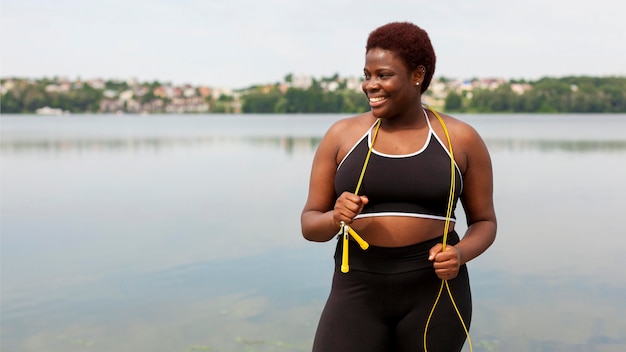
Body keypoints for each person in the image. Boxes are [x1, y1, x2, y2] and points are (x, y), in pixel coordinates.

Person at [300, 22, 497, 352]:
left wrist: (460, 254)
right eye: (367, 75)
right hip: (356, 286)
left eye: (383, 75)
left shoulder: (461, 139)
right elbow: (310, 225)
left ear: (417, 75)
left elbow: (485, 222)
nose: (370, 85)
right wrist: (335, 218)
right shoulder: (341, 136)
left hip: (435, 288)